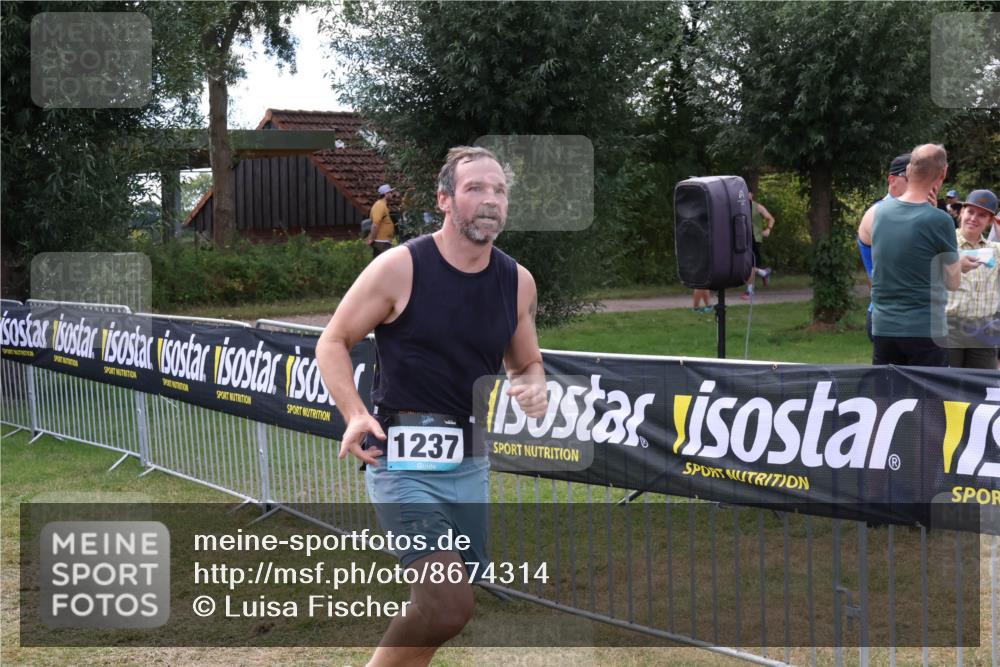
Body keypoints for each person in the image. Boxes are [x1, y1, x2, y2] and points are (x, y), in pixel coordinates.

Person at [315, 146, 548, 666]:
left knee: (440, 610)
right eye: (475, 189)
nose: (490, 200)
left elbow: (527, 363)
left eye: (499, 191)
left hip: (471, 465)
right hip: (403, 464)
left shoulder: (517, 282)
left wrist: (535, 385)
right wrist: (355, 413)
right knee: (447, 605)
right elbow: (332, 341)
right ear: (445, 199)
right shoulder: (400, 267)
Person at [870, 143, 979, 367]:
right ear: (944, 172)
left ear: (909, 170)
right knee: (930, 401)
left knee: (887, 400)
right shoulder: (939, 220)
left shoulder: (879, 213)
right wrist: (959, 264)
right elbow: (952, 282)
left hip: (883, 327)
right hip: (924, 330)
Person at [857, 152, 911, 340]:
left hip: (917, 316)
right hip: (890, 315)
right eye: (911, 178)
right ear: (892, 180)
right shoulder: (878, 213)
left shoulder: (921, 213)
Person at [944, 189, 1000, 368]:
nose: (974, 218)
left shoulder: (996, 250)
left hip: (984, 331)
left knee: (980, 389)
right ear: (961, 212)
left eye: (982, 215)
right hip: (949, 328)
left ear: (991, 221)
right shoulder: (945, 242)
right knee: (947, 388)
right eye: (970, 211)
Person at [740, 188, 775, 300]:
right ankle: (764, 272)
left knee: (750, 266)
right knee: (746, 265)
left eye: (748, 193)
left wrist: (768, 229)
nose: (746, 195)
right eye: (744, 193)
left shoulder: (758, 207)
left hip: (755, 238)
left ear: (751, 194)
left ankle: (749, 291)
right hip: (744, 239)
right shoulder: (740, 207)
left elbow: (771, 219)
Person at [367, 183, 397, 258]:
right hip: (381, 242)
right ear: (385, 194)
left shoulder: (383, 205)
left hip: (384, 241)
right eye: (390, 192)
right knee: (382, 264)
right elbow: (375, 224)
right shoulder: (379, 205)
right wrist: (372, 239)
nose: (392, 194)